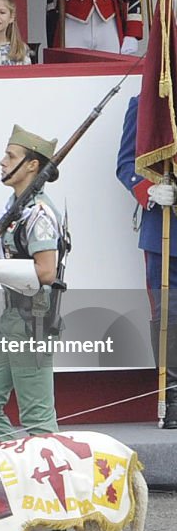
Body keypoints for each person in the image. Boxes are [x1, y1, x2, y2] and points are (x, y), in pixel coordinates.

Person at [0, 125, 64, 441]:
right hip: (12, 317)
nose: (2, 162)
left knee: (37, 419)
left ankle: (50, 484)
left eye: (11, 156)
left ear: (32, 165)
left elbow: (46, 271)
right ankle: (22, 468)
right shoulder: (16, 208)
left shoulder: (38, 212)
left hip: (32, 320)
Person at [116, 95, 177, 429]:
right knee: (168, 314)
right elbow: (126, 165)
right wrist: (150, 190)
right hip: (166, 231)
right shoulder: (145, 104)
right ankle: (173, 396)